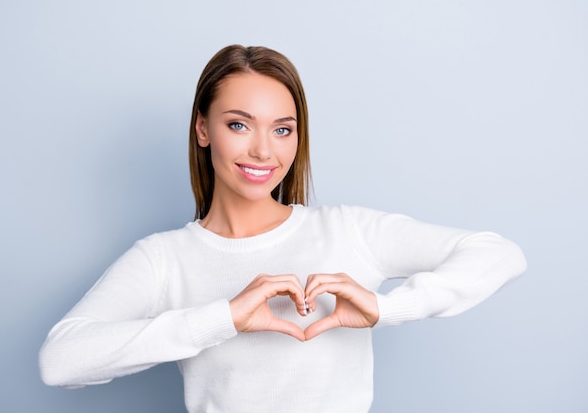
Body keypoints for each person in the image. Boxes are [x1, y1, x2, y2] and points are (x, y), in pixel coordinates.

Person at [39, 44, 527, 412]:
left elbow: (499, 253)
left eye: (282, 129)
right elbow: (60, 360)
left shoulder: (348, 231)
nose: (263, 152)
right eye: (238, 125)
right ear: (202, 129)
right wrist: (223, 318)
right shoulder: (165, 259)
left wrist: (387, 308)